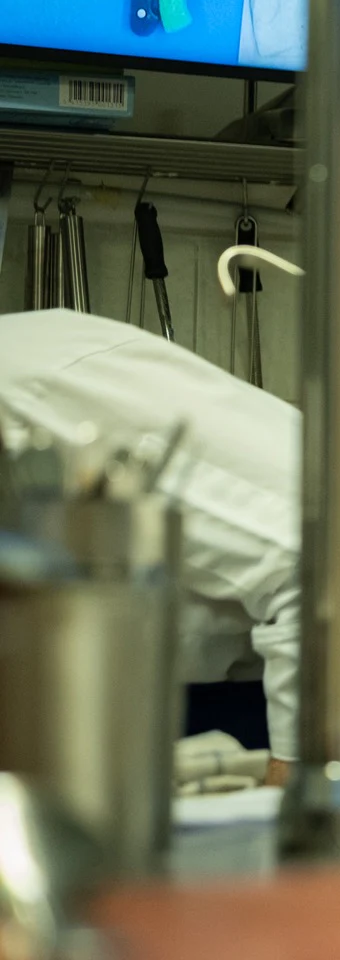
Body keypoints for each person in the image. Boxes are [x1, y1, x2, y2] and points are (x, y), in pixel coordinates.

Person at [0, 310, 297, 778]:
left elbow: (312, 568)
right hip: (150, 697)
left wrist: (292, 783)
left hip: (286, 694)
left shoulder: (21, 393)